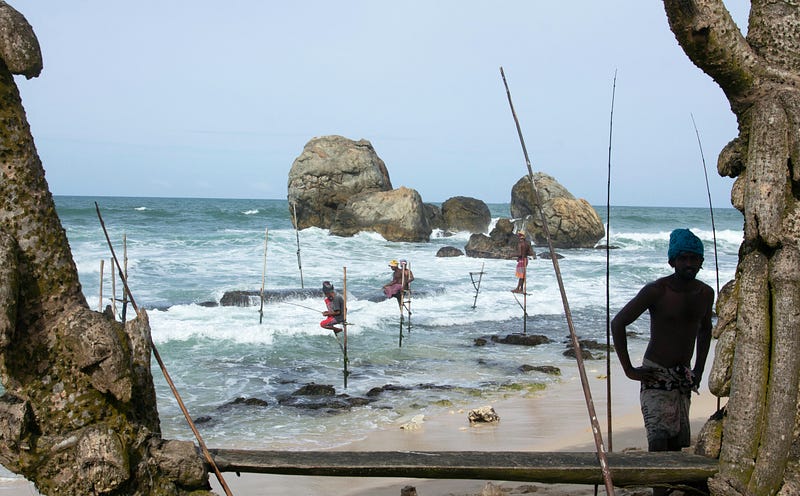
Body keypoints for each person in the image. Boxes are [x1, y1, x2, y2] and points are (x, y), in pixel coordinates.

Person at [611, 228, 713, 495]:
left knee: (678, 441)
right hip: (655, 374)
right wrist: (630, 370)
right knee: (658, 439)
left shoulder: (705, 293)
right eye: (684, 258)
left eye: (695, 259)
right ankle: (659, 492)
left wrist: (699, 370)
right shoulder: (657, 291)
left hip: (682, 378)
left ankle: (671, 488)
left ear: (701, 262)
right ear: (673, 261)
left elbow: (705, 330)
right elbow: (618, 323)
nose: (690, 264)